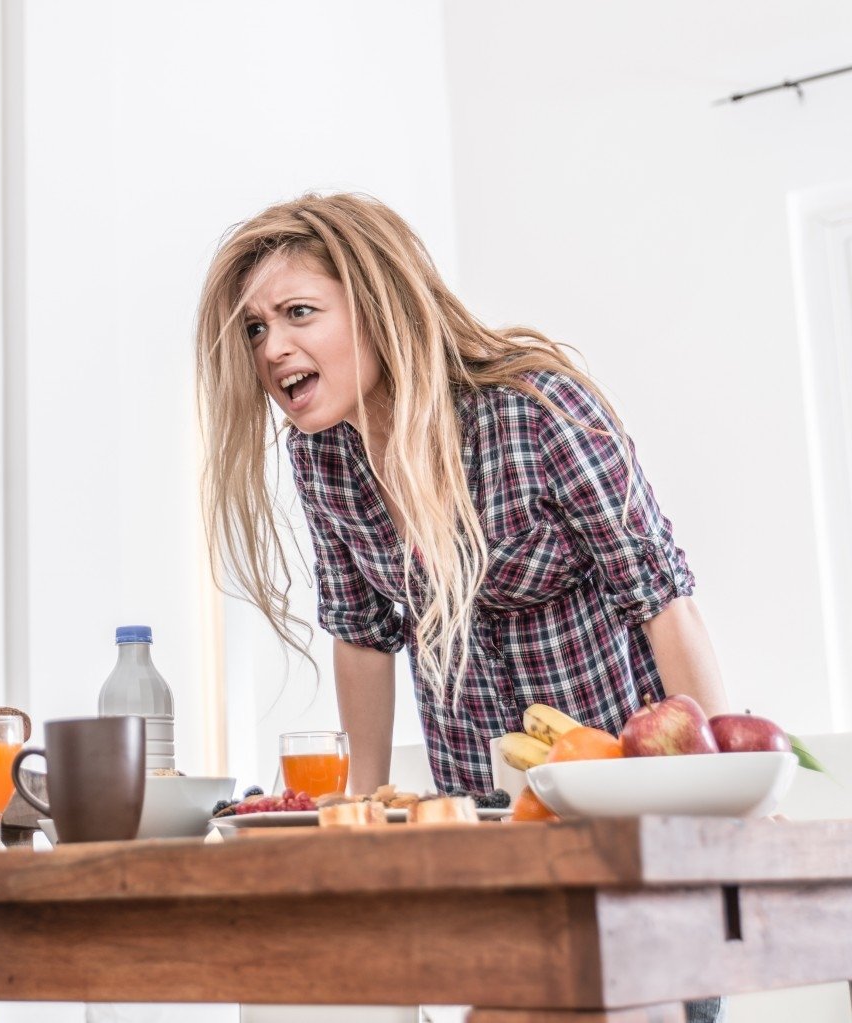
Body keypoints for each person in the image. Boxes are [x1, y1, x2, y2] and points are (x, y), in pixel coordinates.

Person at [195, 192, 727, 1021]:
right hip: (491, 847)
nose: (273, 347)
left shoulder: (537, 410)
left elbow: (663, 604)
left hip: (630, 836)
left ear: (378, 305)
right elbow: (362, 634)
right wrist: (360, 808)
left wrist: (717, 815)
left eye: (300, 312)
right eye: (257, 328)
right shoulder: (325, 459)